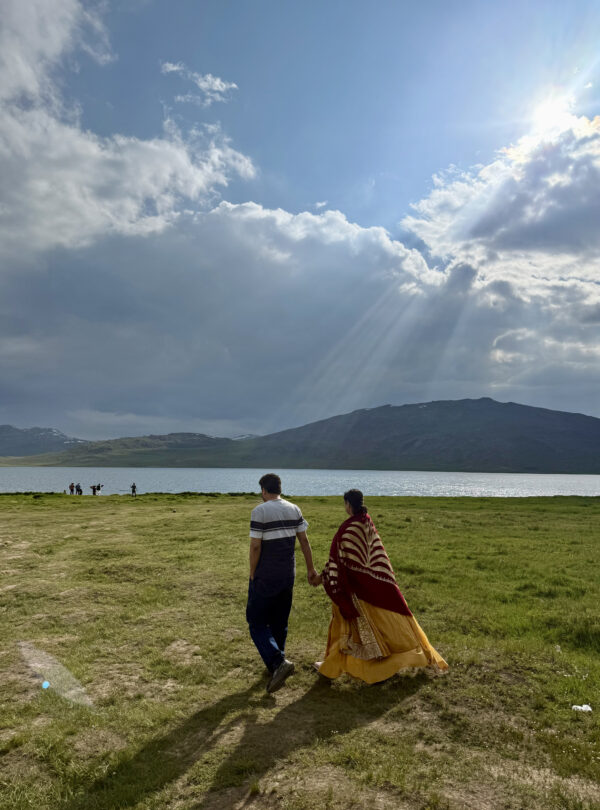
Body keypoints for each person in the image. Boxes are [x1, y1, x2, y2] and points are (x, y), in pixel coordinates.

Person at [312, 489, 448, 683]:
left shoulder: (347, 529)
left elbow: (337, 561)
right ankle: (380, 663)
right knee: (384, 627)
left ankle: (338, 666)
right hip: (378, 583)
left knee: (346, 630)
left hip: (356, 590)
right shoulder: (367, 521)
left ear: (348, 505)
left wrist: (320, 578)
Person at [247, 473, 319, 694]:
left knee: (256, 621)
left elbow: (256, 547)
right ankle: (276, 664)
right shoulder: (294, 509)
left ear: (263, 490)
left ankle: (278, 663)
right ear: (279, 488)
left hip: (265, 576)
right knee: (280, 621)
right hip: (288, 574)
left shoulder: (260, 511)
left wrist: (252, 572)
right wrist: (310, 569)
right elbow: (304, 541)